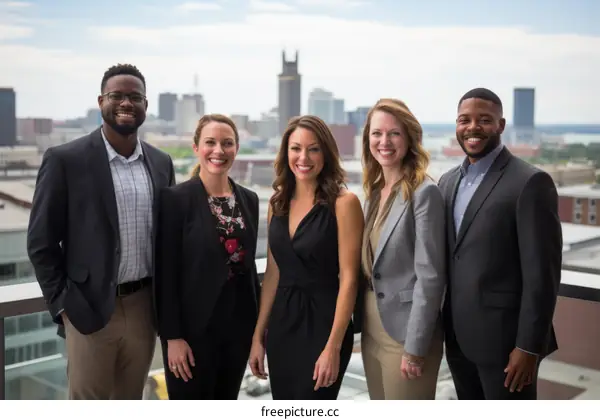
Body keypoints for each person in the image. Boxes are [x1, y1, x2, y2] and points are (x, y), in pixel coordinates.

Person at [26, 64, 176, 399]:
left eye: (135, 97)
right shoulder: (65, 160)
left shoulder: (161, 163)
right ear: (101, 101)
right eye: (117, 96)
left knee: (129, 400)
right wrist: (63, 305)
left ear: (145, 105)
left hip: (143, 309)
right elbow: (40, 242)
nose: (126, 103)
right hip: (88, 308)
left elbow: (168, 240)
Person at [438, 88, 562, 400]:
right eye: (464, 120)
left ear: (501, 125)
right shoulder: (447, 181)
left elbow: (542, 277)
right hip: (457, 340)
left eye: (484, 120)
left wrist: (528, 347)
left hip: (506, 348)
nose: (473, 127)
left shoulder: (530, 182)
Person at [248, 115, 364, 399]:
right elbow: (273, 275)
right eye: (296, 148)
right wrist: (257, 336)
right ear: (285, 152)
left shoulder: (344, 203)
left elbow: (349, 279)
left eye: (313, 149)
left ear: (326, 153)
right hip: (282, 324)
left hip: (324, 324)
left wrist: (333, 347)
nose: (304, 157)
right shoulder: (277, 204)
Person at [156, 114, 260, 400]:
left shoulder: (249, 199)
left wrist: (256, 334)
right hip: (191, 334)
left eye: (227, 143)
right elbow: (165, 273)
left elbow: (248, 269)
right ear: (196, 148)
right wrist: (172, 338)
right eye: (210, 142)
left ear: (237, 148)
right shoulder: (175, 200)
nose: (219, 151)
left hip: (237, 330)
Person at [353, 98, 446, 400]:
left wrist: (415, 348)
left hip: (406, 335)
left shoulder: (424, 192)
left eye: (394, 133)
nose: (384, 142)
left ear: (409, 138)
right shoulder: (374, 192)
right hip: (371, 330)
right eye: (377, 134)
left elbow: (430, 277)